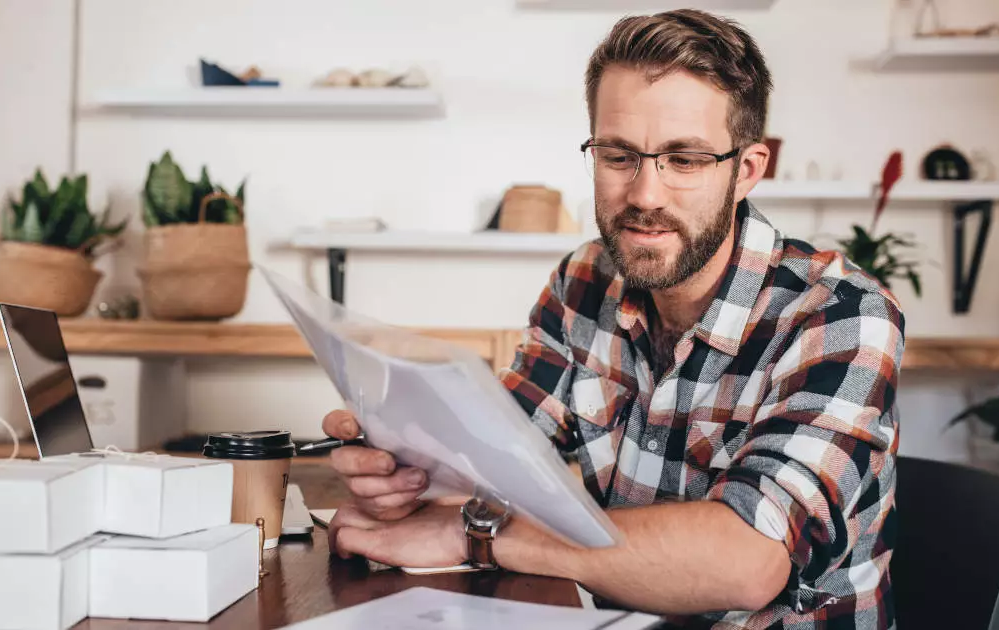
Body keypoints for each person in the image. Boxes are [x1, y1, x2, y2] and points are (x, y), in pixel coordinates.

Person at [320, 8, 904, 629]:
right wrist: (404, 475)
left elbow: (746, 562)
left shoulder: (841, 314)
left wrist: (474, 535)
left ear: (746, 171)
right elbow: (496, 464)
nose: (645, 195)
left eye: (685, 160)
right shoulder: (583, 281)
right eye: (619, 155)